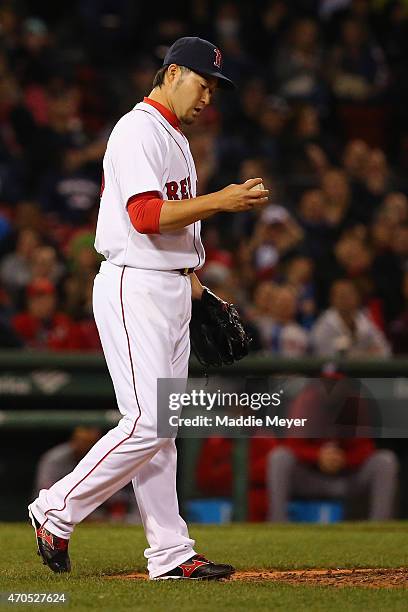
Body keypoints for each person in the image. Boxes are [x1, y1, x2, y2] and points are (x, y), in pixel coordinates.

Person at [28, 36, 269, 580]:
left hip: (169, 286)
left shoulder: (175, 137)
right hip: (134, 285)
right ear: (173, 73)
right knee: (147, 423)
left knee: (163, 430)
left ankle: (170, 552)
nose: (208, 96)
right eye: (202, 83)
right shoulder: (137, 129)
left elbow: (171, 232)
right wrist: (223, 200)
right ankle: (56, 508)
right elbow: (144, 215)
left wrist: (197, 287)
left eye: (213, 88)